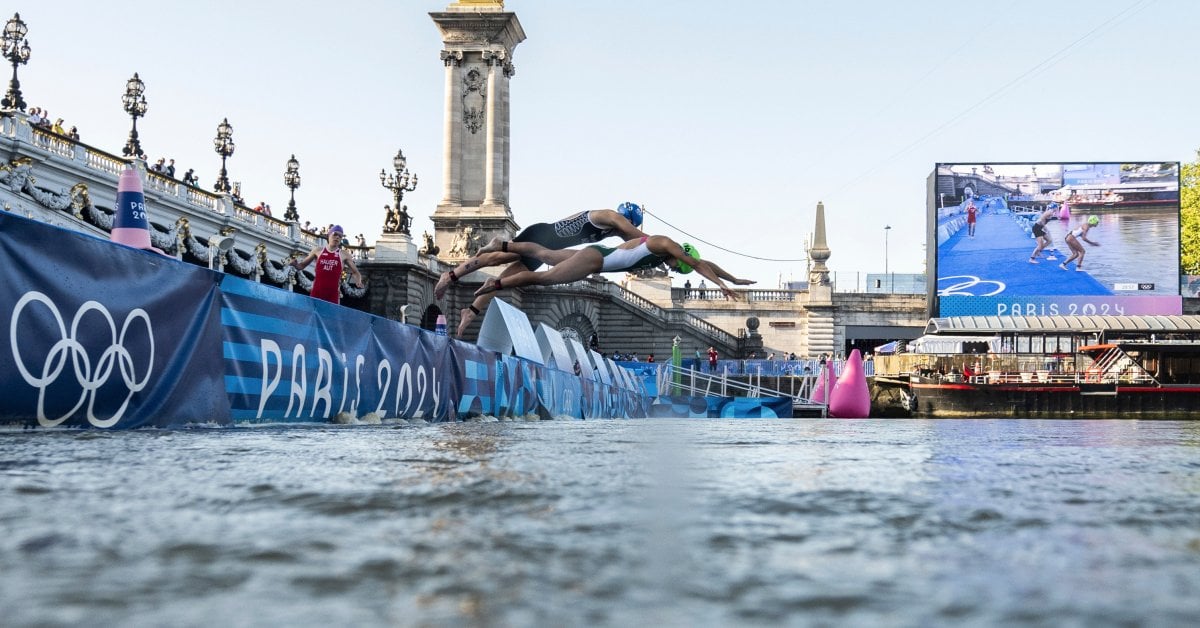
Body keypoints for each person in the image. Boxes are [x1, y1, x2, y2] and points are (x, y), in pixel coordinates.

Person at [435, 203, 648, 336]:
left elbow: (630, 245)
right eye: (629, 224)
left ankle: (470, 311)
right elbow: (636, 237)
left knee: (504, 280)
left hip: (546, 249)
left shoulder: (611, 231)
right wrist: (663, 248)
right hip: (541, 236)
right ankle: (451, 275)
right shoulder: (610, 216)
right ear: (628, 219)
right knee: (496, 257)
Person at [472, 235, 754, 301]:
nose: (672, 269)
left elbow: (705, 263)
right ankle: (493, 285)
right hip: (596, 261)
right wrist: (722, 286)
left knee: (544, 253)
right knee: (543, 278)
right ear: (678, 257)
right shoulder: (662, 244)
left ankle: (501, 244)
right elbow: (697, 263)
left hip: (598, 255)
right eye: (677, 267)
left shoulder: (667, 252)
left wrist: (735, 278)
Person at [289, 225, 364, 304]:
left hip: (332, 296)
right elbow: (301, 266)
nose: (337, 237)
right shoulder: (318, 251)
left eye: (340, 236)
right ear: (329, 235)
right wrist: (295, 264)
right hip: (316, 293)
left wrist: (358, 280)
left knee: (329, 316)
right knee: (313, 316)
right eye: (335, 234)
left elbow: (355, 272)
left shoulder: (343, 254)